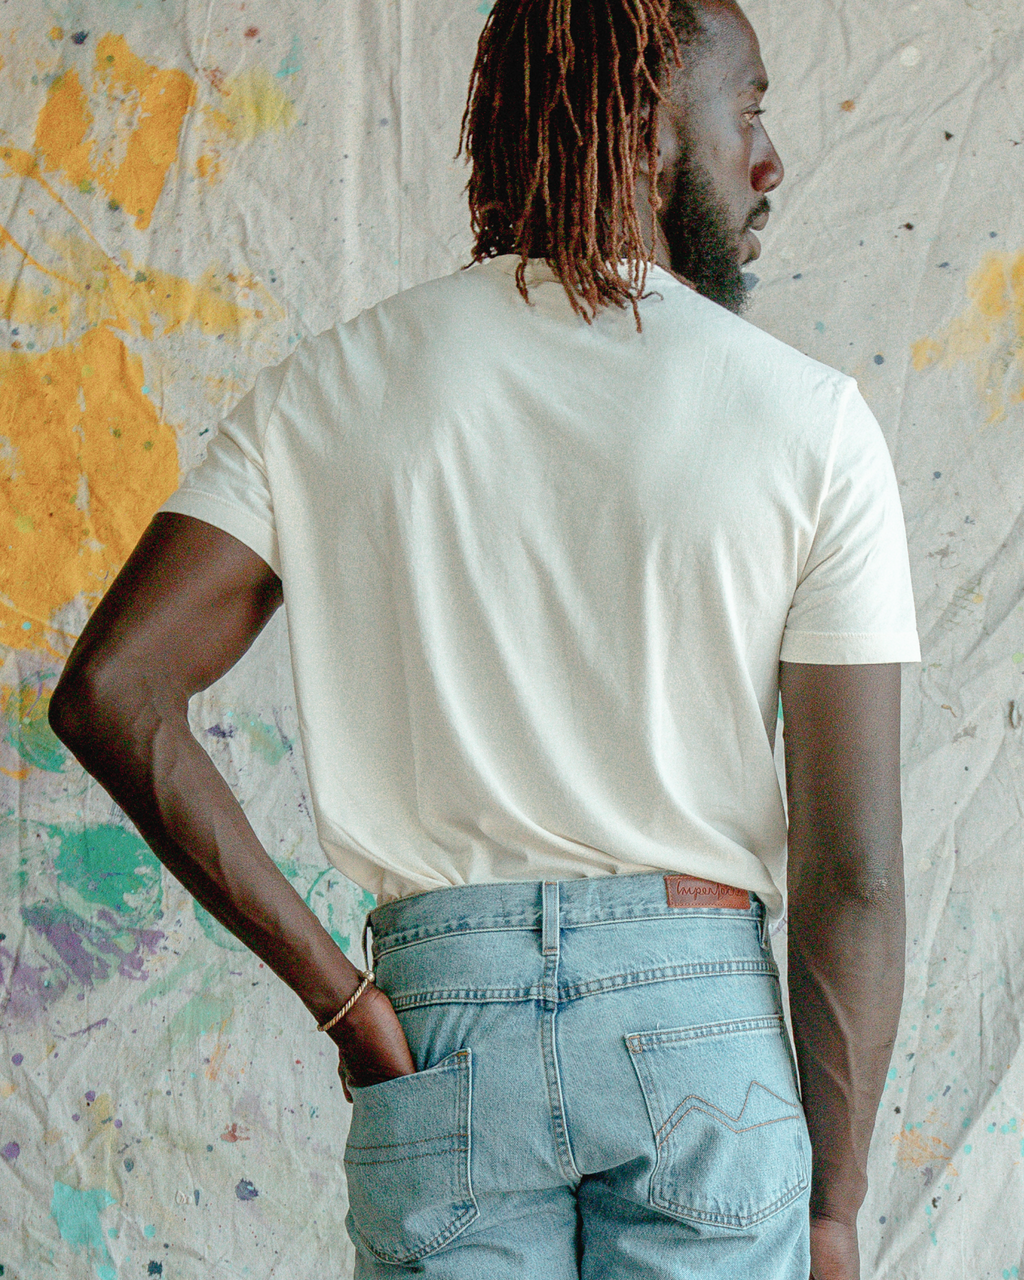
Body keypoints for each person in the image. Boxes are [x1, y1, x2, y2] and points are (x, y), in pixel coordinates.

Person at [48, 1, 920, 1277]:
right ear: (646, 126)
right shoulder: (809, 420)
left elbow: (114, 689)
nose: (768, 159)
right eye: (747, 109)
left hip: (440, 1029)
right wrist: (831, 1209)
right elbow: (853, 871)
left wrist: (347, 1003)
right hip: (699, 1029)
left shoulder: (331, 387)